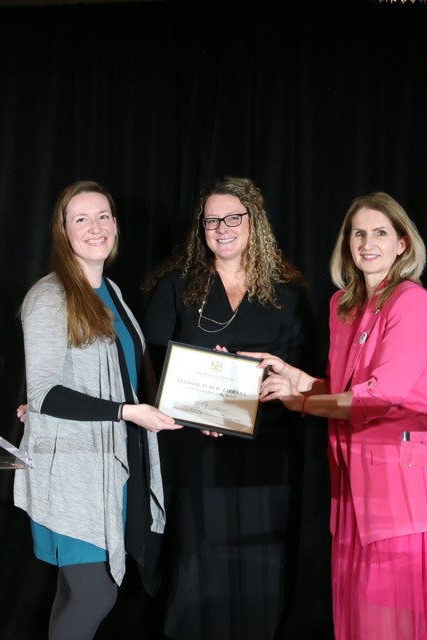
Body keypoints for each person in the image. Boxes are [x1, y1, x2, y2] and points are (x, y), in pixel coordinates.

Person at [243, 192, 427, 640]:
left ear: (402, 244)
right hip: (353, 492)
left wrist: (299, 402)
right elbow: (344, 391)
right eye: (358, 232)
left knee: (392, 628)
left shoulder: (410, 301)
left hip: (402, 495)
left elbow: (382, 397)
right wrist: (297, 378)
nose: (367, 242)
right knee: (358, 623)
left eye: (380, 232)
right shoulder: (345, 305)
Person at [141, 176, 322, 639]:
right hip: (196, 451)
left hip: (269, 452)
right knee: (196, 558)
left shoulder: (288, 290)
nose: (222, 228)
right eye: (211, 220)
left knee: (261, 561)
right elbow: (151, 369)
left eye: (232, 218)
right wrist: (201, 408)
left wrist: (272, 384)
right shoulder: (177, 286)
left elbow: (307, 371)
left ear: (253, 222)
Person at [13, 180, 181, 640]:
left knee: (77, 595)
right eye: (80, 219)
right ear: (63, 232)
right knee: (92, 594)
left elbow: (128, 378)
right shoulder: (50, 297)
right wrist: (128, 413)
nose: (95, 227)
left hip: (106, 466)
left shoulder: (113, 294)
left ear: (116, 226)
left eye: (103, 216)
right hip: (72, 473)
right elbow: (45, 392)